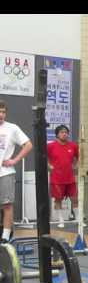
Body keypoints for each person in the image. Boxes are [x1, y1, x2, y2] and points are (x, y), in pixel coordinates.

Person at [0, 100, 33, 243]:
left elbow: (28, 145)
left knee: (7, 204)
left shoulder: (12, 128)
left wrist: (14, 160)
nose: (1, 115)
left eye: (3, 112)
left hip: (5, 173)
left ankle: (5, 237)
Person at [47, 125, 80, 228]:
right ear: (57, 134)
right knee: (58, 199)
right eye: (62, 132)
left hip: (70, 178)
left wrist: (76, 166)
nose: (64, 134)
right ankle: (61, 221)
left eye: (66, 132)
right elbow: (43, 157)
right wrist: (49, 166)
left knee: (75, 198)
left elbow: (80, 157)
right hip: (56, 178)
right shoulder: (50, 146)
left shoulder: (73, 146)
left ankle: (78, 220)